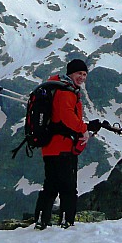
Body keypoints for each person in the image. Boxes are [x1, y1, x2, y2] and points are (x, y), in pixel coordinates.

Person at [34, 58, 92, 229]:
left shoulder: (56, 88)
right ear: (70, 73)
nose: (82, 77)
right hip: (64, 148)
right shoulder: (67, 92)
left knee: (50, 186)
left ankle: (40, 220)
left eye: (84, 74)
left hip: (49, 148)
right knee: (68, 187)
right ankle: (67, 221)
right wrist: (83, 129)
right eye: (79, 73)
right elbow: (67, 117)